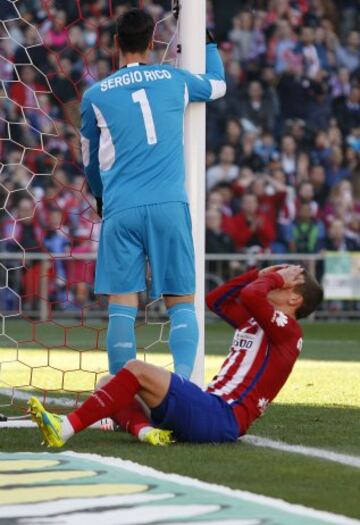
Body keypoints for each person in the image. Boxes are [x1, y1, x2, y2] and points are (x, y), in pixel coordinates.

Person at [80, 9, 226, 386]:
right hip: (168, 206)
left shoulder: (95, 95)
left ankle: (120, 401)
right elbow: (218, 84)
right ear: (152, 43)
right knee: (181, 302)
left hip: (121, 208)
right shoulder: (173, 79)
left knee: (122, 307)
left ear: (115, 44)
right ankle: (181, 390)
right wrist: (205, 40)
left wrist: (100, 197)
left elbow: (90, 161)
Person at [28, 265, 323, 447]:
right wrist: (259, 275)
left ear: (294, 299)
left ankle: (64, 428)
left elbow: (249, 296)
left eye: (286, 281)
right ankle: (148, 433)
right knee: (109, 381)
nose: (278, 278)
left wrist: (268, 278)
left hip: (222, 415)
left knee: (136, 369)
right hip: (210, 408)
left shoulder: (289, 331)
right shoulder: (257, 321)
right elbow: (216, 299)